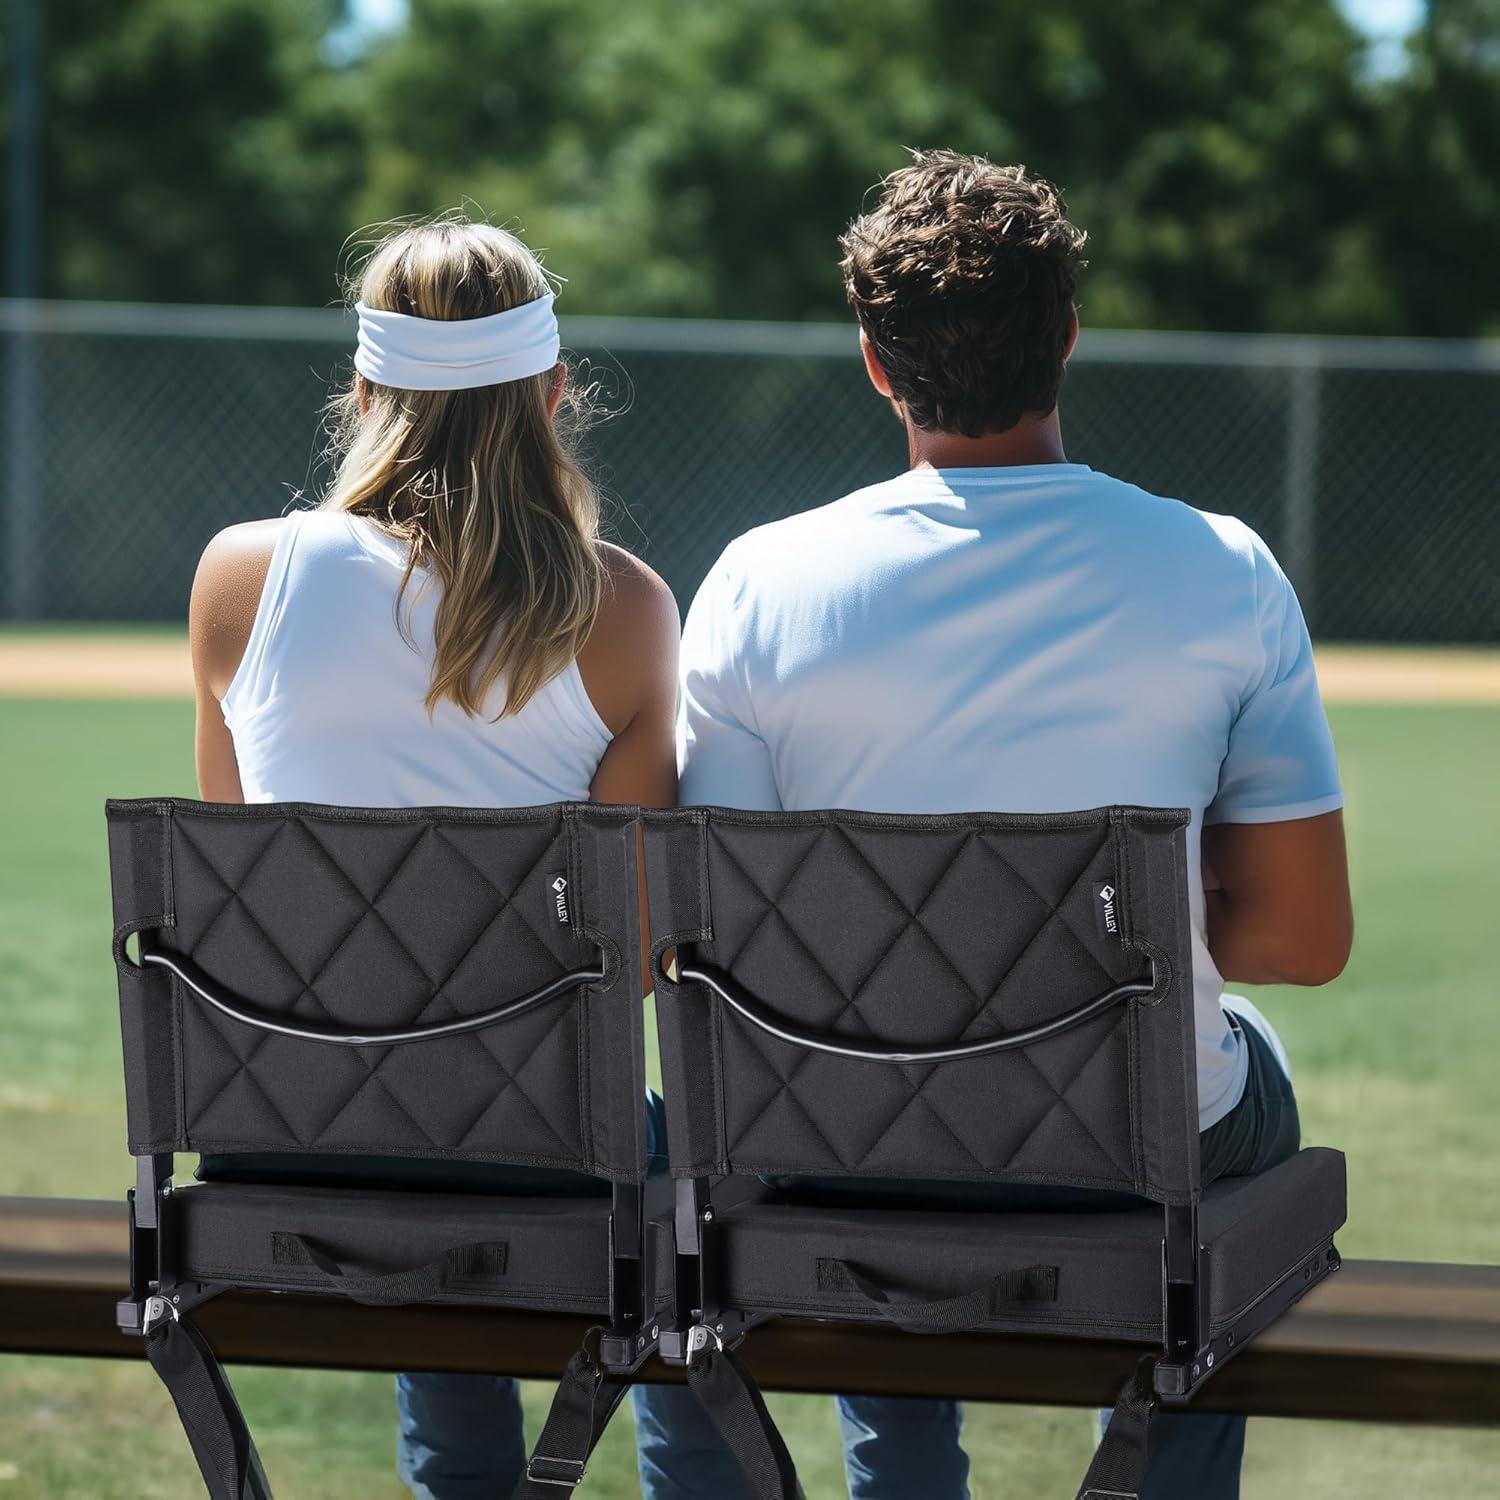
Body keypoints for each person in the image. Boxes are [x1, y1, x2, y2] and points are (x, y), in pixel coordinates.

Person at [636, 151, 1353, 1500]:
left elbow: (716, 944)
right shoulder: (1223, 569)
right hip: (1133, 1158)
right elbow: (1303, 943)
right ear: (1069, 339)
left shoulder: (757, 582)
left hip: (851, 1153)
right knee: (1254, 1068)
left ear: (873, 362)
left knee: (829, 1085)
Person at [185, 215, 680, 1500]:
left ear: (363, 390)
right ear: (554, 392)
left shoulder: (240, 578)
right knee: (682, 1181)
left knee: (403, 1064)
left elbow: (250, 894)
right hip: (525, 1134)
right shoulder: (618, 609)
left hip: (282, 1129)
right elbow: (630, 960)